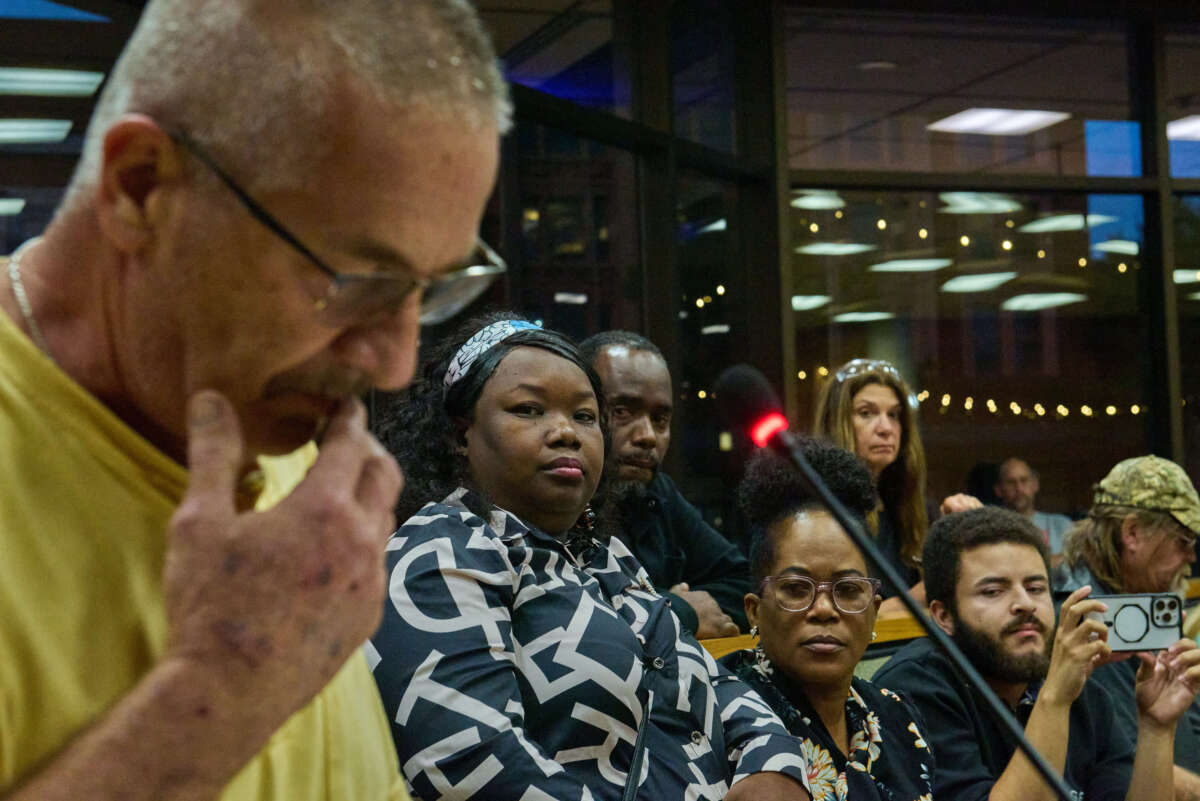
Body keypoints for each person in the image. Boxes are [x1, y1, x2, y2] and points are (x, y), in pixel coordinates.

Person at [0, 1, 509, 799]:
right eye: (353, 283)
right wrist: (230, 683)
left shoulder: (267, 424)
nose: (396, 364)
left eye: (432, 288)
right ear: (140, 188)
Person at [371, 314, 812, 801]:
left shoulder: (605, 557)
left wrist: (773, 771)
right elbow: (470, 765)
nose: (566, 432)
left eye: (584, 416)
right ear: (460, 434)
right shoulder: (435, 552)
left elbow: (723, 692)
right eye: (528, 410)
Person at [875, 507, 1200, 801]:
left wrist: (1157, 727)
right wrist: (1055, 697)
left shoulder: (1085, 695)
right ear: (944, 616)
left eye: (1035, 588)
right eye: (993, 591)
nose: (1025, 603)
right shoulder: (912, 691)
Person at [721, 435, 936, 801]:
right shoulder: (721, 716)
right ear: (754, 610)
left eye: (849, 590)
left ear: (874, 612)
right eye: (797, 588)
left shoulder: (899, 715)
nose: (824, 609)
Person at [579, 330, 748, 638]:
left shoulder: (658, 490)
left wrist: (664, 610)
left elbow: (744, 582)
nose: (647, 436)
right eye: (622, 411)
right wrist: (677, 610)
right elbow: (576, 617)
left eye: (660, 419)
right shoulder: (557, 497)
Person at [1053, 455, 1200, 798]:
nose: (1191, 558)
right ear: (1132, 533)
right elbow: (1121, 765)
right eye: (1184, 541)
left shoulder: (1149, 608)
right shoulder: (1075, 622)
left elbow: (1191, 722)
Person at [813, 358, 978, 608]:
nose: (886, 428)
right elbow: (854, 615)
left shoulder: (912, 507)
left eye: (894, 415)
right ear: (836, 423)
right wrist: (936, 582)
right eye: (866, 413)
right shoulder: (816, 513)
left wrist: (955, 532)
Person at [996, 457, 1073, 564]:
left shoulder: (1062, 525)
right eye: (1011, 482)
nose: (1019, 488)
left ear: (1035, 484)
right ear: (999, 490)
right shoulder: (994, 528)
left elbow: (1078, 564)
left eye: (1024, 480)